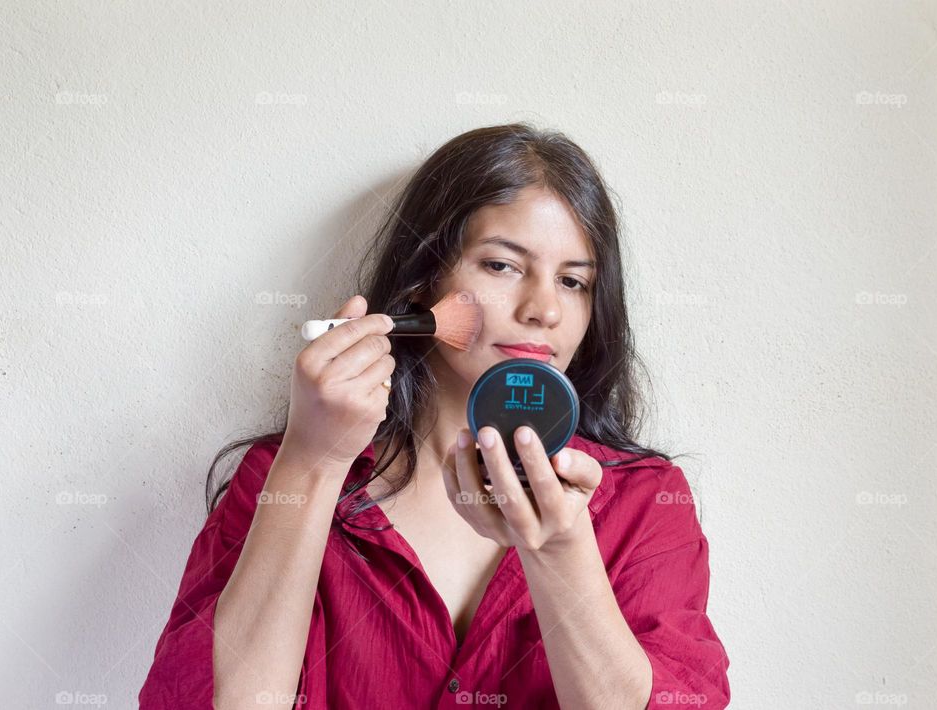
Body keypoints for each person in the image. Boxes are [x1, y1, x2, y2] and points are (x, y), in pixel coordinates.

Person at [139, 124, 731, 709]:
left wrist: (559, 552)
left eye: (574, 282)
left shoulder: (646, 503)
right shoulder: (282, 476)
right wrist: (312, 463)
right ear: (424, 281)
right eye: (502, 266)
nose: (544, 309)